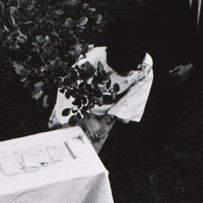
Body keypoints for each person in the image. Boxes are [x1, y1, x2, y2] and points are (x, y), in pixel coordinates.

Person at [49, 18, 154, 152]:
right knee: (62, 146)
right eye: (121, 70)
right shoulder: (92, 59)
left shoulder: (144, 65)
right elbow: (68, 88)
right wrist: (87, 118)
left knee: (88, 152)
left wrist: (107, 119)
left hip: (107, 112)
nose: (125, 73)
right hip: (78, 111)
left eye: (129, 69)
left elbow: (136, 95)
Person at [140, 0, 203, 145]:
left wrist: (193, 65)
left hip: (188, 71)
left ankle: (154, 139)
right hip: (156, 61)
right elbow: (149, 27)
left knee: (171, 108)